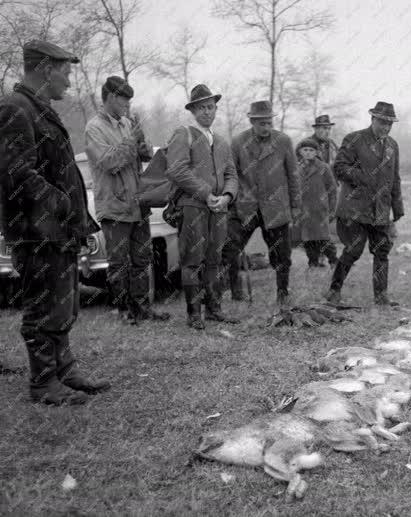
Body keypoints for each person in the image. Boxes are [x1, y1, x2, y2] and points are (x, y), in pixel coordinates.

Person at [0, 40, 110, 405]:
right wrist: (62, 203)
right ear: (46, 68)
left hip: (56, 230)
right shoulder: (15, 109)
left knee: (63, 305)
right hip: (36, 233)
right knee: (42, 307)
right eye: (65, 70)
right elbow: (17, 173)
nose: (68, 79)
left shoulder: (37, 108)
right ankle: (43, 382)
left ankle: (64, 370)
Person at [85, 76, 170, 324]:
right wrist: (132, 140)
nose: (127, 106)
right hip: (114, 207)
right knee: (119, 262)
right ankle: (124, 312)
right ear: (111, 97)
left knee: (142, 259)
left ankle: (143, 309)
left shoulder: (126, 123)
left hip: (137, 203)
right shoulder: (94, 128)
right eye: (124, 100)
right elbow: (109, 162)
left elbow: (139, 157)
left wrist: (144, 145)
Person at [166, 84, 239, 329]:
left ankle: (214, 309)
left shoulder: (221, 141)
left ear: (216, 109)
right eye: (201, 108)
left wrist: (227, 196)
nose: (207, 112)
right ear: (193, 110)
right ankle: (194, 313)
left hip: (219, 208)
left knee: (214, 259)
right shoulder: (183, 133)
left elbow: (232, 174)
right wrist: (206, 193)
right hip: (193, 205)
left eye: (210, 107)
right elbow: (176, 169)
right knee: (192, 260)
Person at [325, 101, 404, 306]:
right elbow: (339, 167)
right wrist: (364, 177)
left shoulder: (393, 146)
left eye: (389, 124)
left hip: (380, 209)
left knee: (382, 251)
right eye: (382, 122)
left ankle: (381, 296)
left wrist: (398, 207)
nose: (386, 127)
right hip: (354, 208)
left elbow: (395, 178)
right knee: (353, 250)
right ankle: (334, 291)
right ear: (372, 119)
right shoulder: (354, 139)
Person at [224, 100, 301, 306]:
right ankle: (235, 289)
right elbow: (230, 173)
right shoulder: (238, 142)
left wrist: (295, 205)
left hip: (276, 207)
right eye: (261, 123)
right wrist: (230, 200)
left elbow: (293, 175)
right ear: (251, 121)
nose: (266, 127)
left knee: (282, 253)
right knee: (230, 248)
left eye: (269, 123)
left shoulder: (283, 141)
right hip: (245, 206)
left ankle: (283, 292)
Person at [296, 138, 337, 268]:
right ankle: (312, 262)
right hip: (304, 209)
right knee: (308, 239)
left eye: (311, 150)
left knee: (323, 237)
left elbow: (332, 189)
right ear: (300, 151)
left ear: (316, 152)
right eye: (305, 150)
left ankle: (334, 260)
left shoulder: (323, 167)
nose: (308, 153)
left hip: (320, 209)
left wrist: (332, 209)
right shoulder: (296, 168)